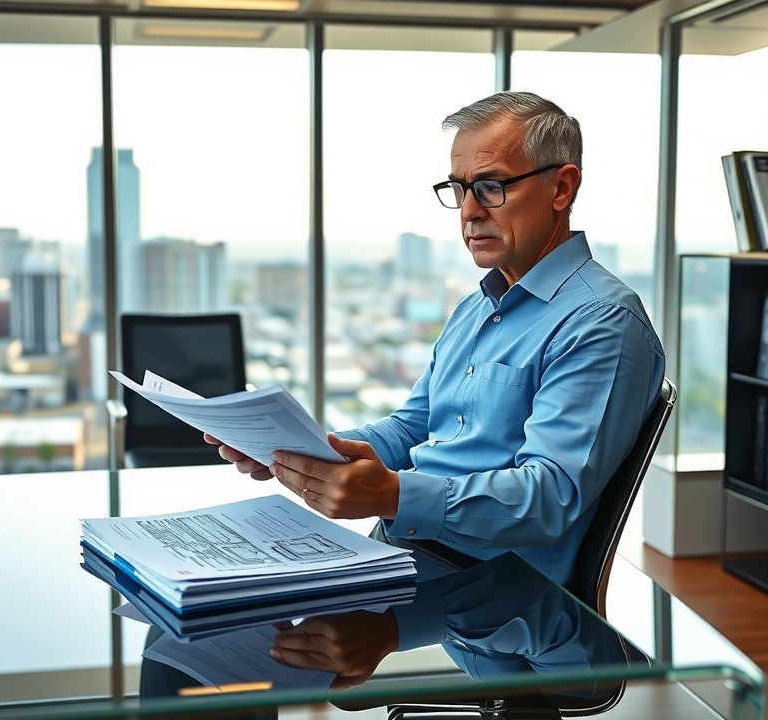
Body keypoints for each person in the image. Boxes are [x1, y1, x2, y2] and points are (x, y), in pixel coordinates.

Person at [207, 91, 665, 585]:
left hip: (496, 599)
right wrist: (304, 452)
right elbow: (412, 430)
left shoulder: (602, 322)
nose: (468, 212)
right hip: (405, 557)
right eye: (459, 188)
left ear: (561, 188)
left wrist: (393, 496)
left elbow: (549, 497)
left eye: (491, 186)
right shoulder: (476, 308)